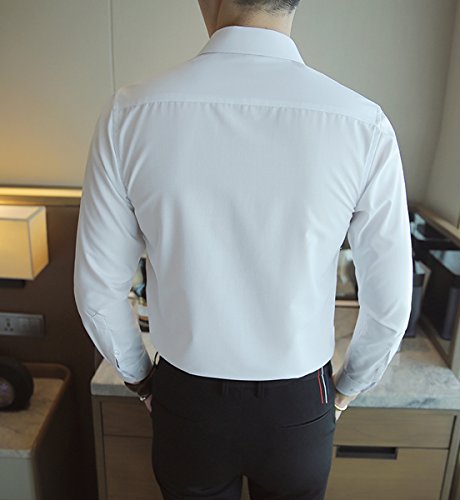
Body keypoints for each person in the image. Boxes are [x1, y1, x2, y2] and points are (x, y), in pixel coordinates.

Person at [73, 0, 413, 498]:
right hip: (300, 402)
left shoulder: (130, 113)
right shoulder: (364, 124)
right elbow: (390, 307)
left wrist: (142, 382)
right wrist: (343, 393)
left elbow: (97, 292)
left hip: (187, 399)